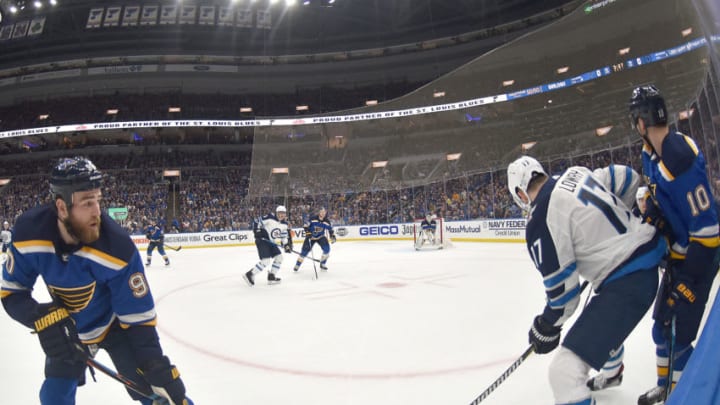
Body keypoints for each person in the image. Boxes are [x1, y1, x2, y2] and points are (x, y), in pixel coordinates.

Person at [0, 156, 192, 405]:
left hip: (116, 328)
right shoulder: (28, 234)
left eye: (98, 200)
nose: (97, 212)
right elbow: (11, 292)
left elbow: (138, 319)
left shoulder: (117, 248)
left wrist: (154, 364)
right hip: (70, 330)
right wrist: (42, 319)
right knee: (53, 396)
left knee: (157, 395)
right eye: (87, 203)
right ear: (61, 207)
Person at [506, 155, 667, 405]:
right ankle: (612, 372)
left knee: (564, 374)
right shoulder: (575, 172)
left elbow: (564, 298)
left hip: (629, 282)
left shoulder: (540, 219)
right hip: (645, 257)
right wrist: (619, 224)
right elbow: (626, 177)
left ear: (520, 192)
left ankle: (607, 372)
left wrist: (545, 327)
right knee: (595, 312)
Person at [629, 85, 720, 404]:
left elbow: (708, 232)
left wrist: (687, 283)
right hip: (681, 254)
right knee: (660, 329)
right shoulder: (651, 154)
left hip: (700, 257)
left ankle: (688, 394)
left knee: (679, 337)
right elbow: (663, 198)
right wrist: (654, 212)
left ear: (641, 122)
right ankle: (666, 387)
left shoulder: (677, 156)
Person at [243, 205, 292, 286]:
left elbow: (283, 236)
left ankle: (271, 276)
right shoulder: (270, 217)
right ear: (276, 213)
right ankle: (250, 274)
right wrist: (257, 231)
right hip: (262, 240)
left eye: (283, 213)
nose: (281, 215)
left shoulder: (285, 224)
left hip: (271, 242)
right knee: (266, 261)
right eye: (280, 213)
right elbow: (256, 221)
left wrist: (286, 245)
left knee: (279, 257)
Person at [293, 207, 336, 272]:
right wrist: (308, 233)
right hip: (311, 237)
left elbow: (330, 229)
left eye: (324, 212)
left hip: (320, 237)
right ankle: (297, 265)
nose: (323, 213)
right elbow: (305, 226)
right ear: (319, 212)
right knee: (304, 252)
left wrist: (332, 236)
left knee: (327, 249)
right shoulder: (313, 219)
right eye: (322, 212)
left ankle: (323, 264)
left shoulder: (326, 221)